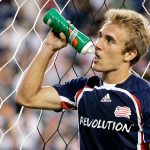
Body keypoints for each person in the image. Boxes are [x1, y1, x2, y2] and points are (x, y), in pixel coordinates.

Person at [16, 9, 150, 150]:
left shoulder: (145, 96)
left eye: (109, 40)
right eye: (100, 36)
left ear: (129, 54)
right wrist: (48, 47)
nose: (98, 44)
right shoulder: (83, 88)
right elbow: (26, 97)